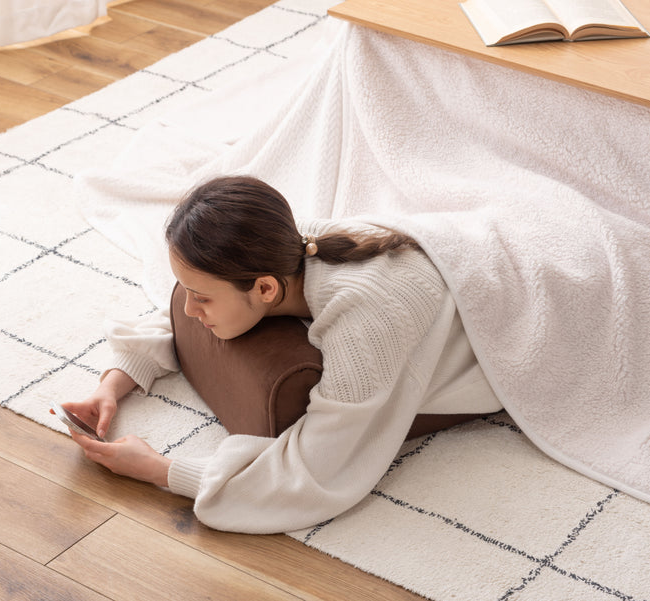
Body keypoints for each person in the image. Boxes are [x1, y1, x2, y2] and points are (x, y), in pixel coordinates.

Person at [60, 175, 503, 534]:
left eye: (201, 298)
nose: (188, 309)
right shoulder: (282, 248)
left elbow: (318, 471)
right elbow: (182, 318)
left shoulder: (363, 320)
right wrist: (113, 384)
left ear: (266, 289)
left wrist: (160, 470)